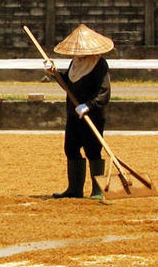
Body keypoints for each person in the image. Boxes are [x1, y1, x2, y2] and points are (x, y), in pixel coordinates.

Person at [44, 24, 113, 200]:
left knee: (93, 150)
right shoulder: (75, 63)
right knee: (71, 148)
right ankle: (74, 189)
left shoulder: (99, 64)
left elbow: (104, 92)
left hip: (92, 115)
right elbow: (67, 84)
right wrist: (54, 74)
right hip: (73, 113)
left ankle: (98, 190)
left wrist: (88, 106)